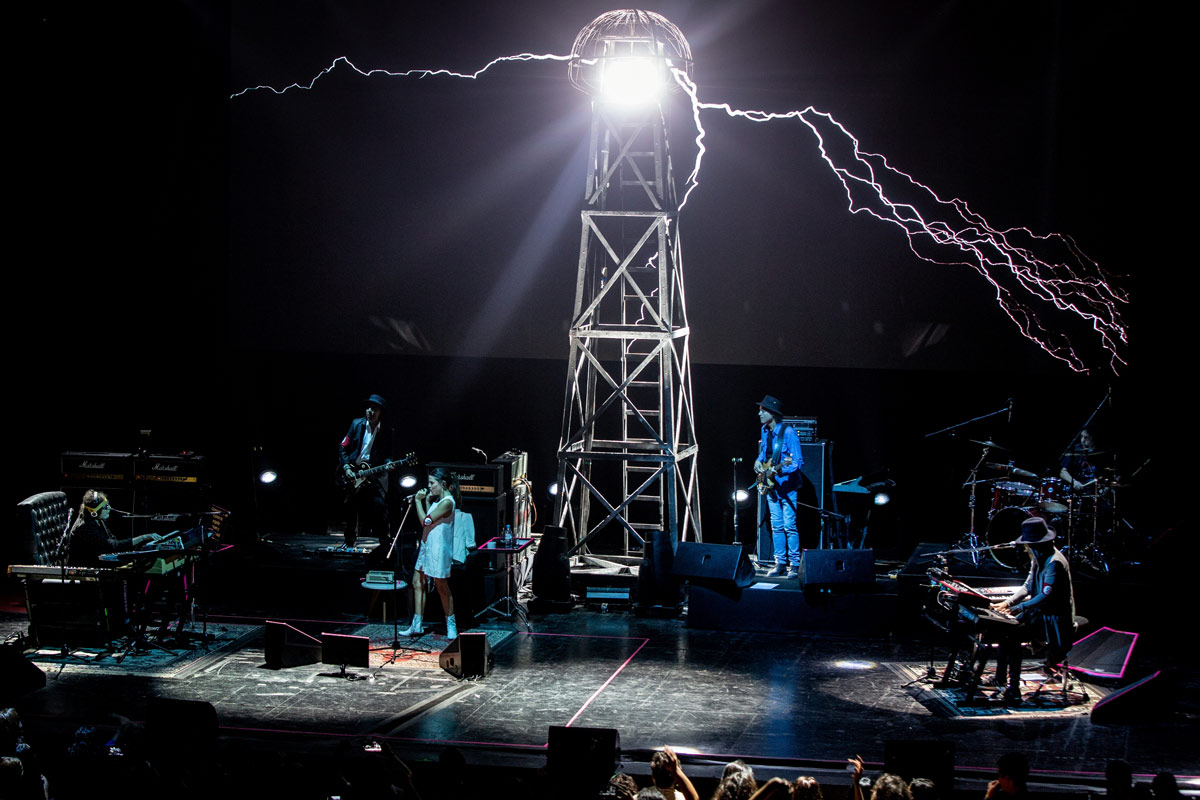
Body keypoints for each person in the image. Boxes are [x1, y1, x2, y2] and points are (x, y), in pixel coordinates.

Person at [991, 516, 1076, 703]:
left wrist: (1018, 608)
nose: (1026, 548)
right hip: (1039, 612)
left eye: (1029, 544)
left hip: (1053, 618)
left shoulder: (1054, 562)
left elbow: (1046, 596)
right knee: (1003, 630)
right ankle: (1000, 678)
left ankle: (1013, 688)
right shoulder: (1038, 557)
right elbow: (1028, 587)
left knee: (1012, 635)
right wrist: (1008, 603)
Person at [401, 467, 458, 639]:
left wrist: (417, 502)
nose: (429, 486)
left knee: (441, 586)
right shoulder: (437, 500)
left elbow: (425, 521)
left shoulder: (448, 502)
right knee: (417, 582)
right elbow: (429, 517)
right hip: (427, 545)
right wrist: (425, 502)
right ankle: (416, 624)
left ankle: (451, 625)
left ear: (442, 484)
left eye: (432, 483)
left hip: (439, 548)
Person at [753, 395, 803, 577]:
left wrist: (779, 471)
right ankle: (780, 563)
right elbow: (764, 454)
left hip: (787, 488)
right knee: (776, 526)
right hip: (771, 486)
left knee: (790, 525)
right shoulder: (764, 431)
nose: (759, 414)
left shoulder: (788, 433)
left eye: (763, 411)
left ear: (773, 414)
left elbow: (797, 461)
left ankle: (795, 565)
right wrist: (758, 463)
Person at [338, 394, 395, 551]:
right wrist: (347, 468)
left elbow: (388, 455)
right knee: (351, 507)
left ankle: (385, 544)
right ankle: (349, 542)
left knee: (380, 507)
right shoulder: (356, 424)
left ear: (380, 412)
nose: (370, 411)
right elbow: (343, 446)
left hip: (372, 474)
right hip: (354, 471)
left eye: (374, 409)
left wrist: (388, 464)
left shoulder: (387, 431)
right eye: (368, 408)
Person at [66, 490, 160, 567]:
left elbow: (112, 541)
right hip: (90, 566)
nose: (110, 508)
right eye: (106, 507)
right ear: (94, 511)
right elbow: (112, 547)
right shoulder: (85, 527)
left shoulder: (98, 520)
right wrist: (142, 538)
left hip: (99, 560)